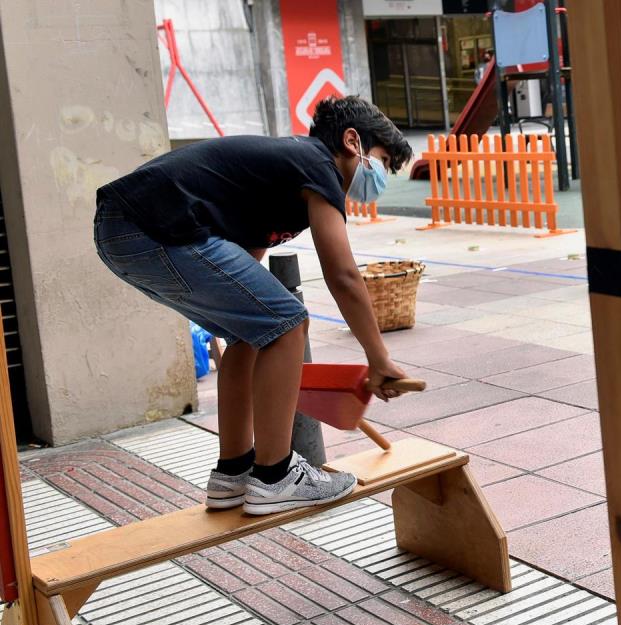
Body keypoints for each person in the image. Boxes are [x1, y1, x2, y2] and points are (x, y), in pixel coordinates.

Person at [94, 96, 414, 516]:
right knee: (288, 323)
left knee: (254, 332)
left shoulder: (280, 179)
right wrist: (378, 358)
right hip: (148, 224)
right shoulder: (318, 164)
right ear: (352, 141)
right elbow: (344, 276)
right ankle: (277, 477)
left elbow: (248, 279)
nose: (379, 178)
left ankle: (233, 473)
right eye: (381, 160)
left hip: (122, 231)